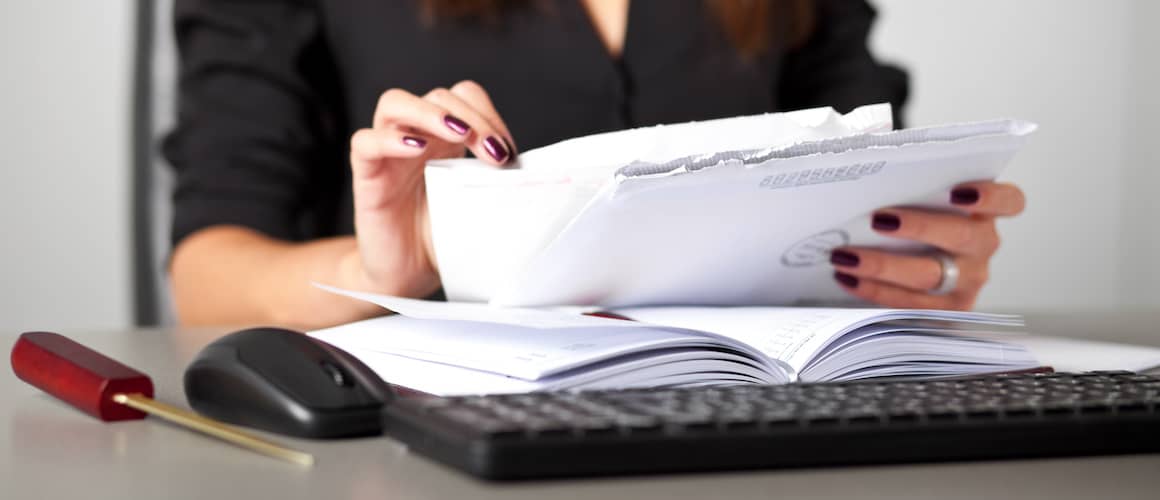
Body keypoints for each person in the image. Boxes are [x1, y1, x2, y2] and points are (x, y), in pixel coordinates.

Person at [165, 0, 1026, 329]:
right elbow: (204, 277)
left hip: (743, 427)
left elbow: (880, 185)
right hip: (417, 446)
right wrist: (383, 267)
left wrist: (921, 258)